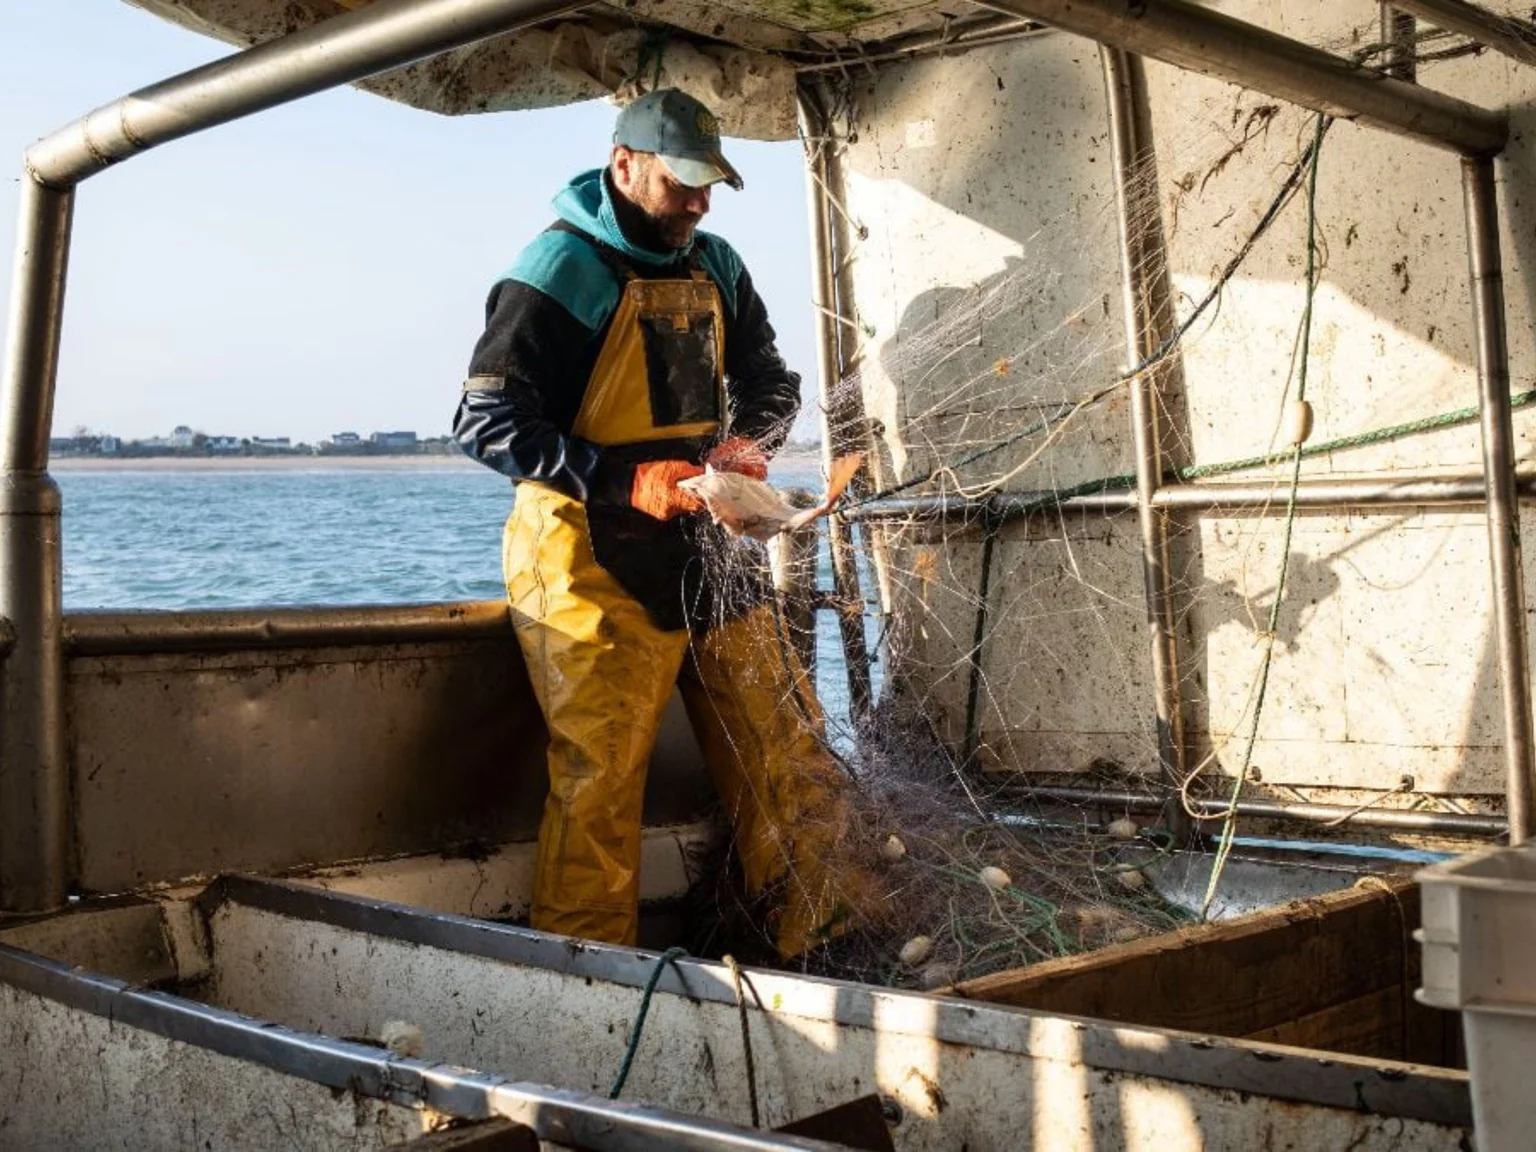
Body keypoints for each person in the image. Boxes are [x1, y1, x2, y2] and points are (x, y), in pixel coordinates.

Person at [454, 88, 857, 960]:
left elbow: (771, 379)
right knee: (600, 785)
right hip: (587, 556)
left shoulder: (717, 263)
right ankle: (588, 981)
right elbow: (486, 426)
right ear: (624, 163)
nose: (699, 203)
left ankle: (814, 945)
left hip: (706, 542)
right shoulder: (556, 272)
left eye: (711, 185)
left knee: (788, 748)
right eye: (682, 183)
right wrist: (620, 479)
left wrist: (751, 445)